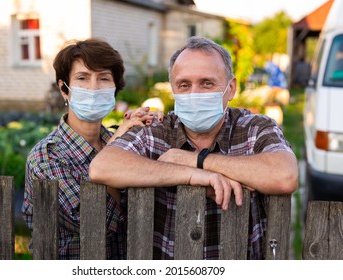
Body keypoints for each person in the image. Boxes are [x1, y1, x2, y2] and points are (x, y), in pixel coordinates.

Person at [89, 36, 299, 260]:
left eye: (207, 83)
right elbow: (102, 167)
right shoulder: (157, 131)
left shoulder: (254, 128)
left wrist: (195, 160)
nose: (195, 94)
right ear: (173, 90)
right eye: (184, 85)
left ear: (231, 88)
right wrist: (192, 175)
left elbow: (285, 175)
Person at [21, 38, 162, 260]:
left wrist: (158, 128)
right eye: (82, 78)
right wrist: (117, 145)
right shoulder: (46, 157)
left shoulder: (130, 141)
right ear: (64, 89)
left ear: (115, 89)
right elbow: (96, 224)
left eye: (104, 78)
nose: (94, 88)